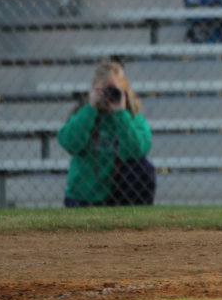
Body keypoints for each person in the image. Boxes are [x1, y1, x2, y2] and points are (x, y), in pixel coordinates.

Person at [57, 58, 155, 207]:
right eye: (103, 91)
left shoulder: (132, 118)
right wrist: (90, 109)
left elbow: (136, 151)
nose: (108, 96)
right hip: (83, 196)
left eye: (113, 90)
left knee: (142, 168)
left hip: (118, 194)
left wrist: (120, 114)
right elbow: (70, 144)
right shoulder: (83, 114)